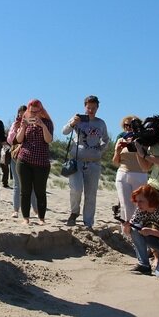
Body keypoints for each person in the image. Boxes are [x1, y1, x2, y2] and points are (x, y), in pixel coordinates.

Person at [62, 95, 109, 227]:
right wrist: (73, 123)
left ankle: (88, 222)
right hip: (77, 161)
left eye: (94, 108)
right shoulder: (77, 118)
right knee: (76, 189)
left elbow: (106, 139)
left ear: (97, 108)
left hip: (94, 163)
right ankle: (74, 212)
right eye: (89, 107)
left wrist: (101, 149)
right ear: (85, 107)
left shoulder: (100, 123)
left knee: (91, 194)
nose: (91, 110)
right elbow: (64, 131)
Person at [14, 99, 54, 225]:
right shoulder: (25, 121)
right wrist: (23, 126)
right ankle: (26, 218)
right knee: (25, 190)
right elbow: (19, 140)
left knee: (40, 191)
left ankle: (41, 218)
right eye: (32, 111)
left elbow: (48, 140)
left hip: (42, 162)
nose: (34, 114)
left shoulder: (47, 122)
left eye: (37, 111)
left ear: (41, 111)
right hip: (24, 159)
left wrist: (42, 125)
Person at [112, 115, 149, 224]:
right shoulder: (120, 140)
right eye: (126, 125)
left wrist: (138, 146)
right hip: (123, 173)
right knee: (125, 205)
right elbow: (115, 162)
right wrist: (118, 151)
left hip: (140, 175)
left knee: (139, 205)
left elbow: (148, 161)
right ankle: (126, 231)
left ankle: (136, 229)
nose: (128, 128)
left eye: (131, 125)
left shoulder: (144, 141)